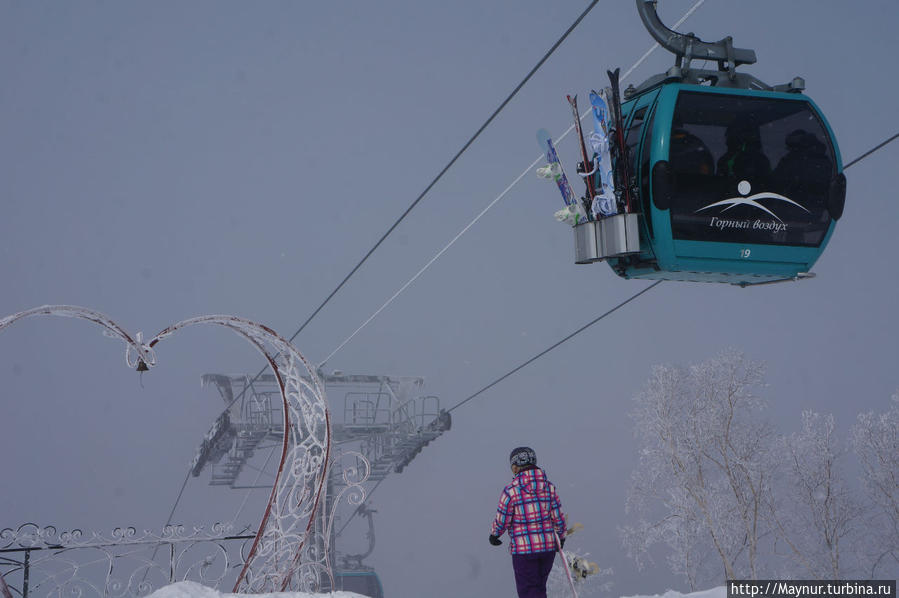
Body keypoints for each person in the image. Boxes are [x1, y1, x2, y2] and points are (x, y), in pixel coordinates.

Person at [489, 446, 567, 598]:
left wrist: (495, 534)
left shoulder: (511, 491)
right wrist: (561, 536)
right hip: (547, 549)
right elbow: (558, 516)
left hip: (524, 551)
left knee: (528, 591)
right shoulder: (549, 488)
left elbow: (503, 519)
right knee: (538, 588)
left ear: (515, 467)